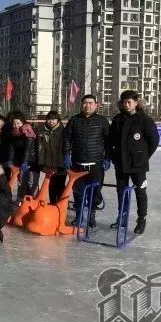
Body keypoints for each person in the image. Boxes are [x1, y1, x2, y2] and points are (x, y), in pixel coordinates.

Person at [108, 90, 159, 235]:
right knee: (121, 192)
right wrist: (113, 155)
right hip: (121, 164)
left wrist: (143, 156)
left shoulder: (145, 119)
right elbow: (110, 140)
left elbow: (153, 140)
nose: (126, 104)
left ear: (136, 103)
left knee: (140, 192)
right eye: (124, 102)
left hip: (138, 164)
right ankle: (122, 218)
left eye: (129, 102)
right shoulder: (118, 119)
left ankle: (141, 219)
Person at [63, 94, 111, 228]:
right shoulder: (74, 120)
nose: (87, 105)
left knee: (95, 191)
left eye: (90, 103)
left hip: (96, 164)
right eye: (85, 103)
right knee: (78, 192)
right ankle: (79, 215)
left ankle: (91, 215)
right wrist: (66, 155)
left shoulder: (102, 121)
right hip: (78, 165)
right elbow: (67, 140)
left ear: (96, 105)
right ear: (81, 105)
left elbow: (108, 142)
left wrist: (107, 158)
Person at [5, 111, 38, 200]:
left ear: (22, 123)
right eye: (14, 124)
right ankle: (20, 199)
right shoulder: (13, 133)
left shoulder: (28, 132)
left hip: (32, 160)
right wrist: (10, 160)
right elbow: (11, 148)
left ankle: (32, 199)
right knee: (21, 181)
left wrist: (25, 162)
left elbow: (28, 149)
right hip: (20, 160)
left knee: (31, 181)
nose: (16, 126)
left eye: (18, 123)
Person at [36, 111, 66, 204]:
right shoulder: (42, 131)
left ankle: (60, 205)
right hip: (48, 163)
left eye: (53, 119)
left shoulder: (63, 131)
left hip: (60, 163)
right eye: (49, 119)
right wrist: (41, 163)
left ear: (58, 120)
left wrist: (64, 162)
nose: (51, 122)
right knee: (51, 185)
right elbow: (40, 149)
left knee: (60, 185)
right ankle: (53, 204)